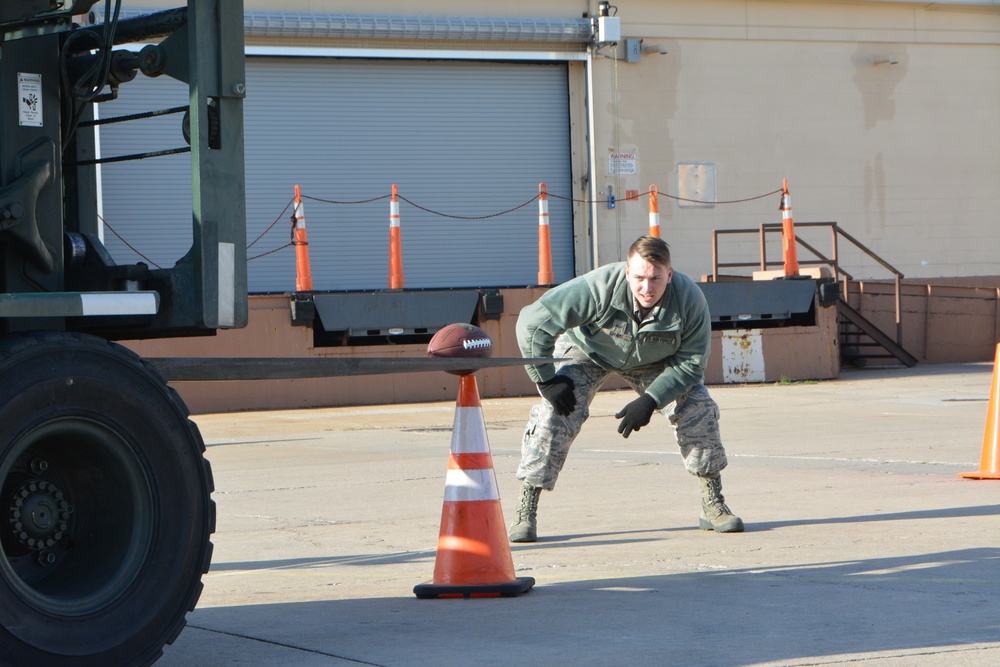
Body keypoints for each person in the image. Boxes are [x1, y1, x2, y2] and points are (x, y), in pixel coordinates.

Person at [509, 235, 743, 542]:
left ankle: (713, 502)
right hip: (588, 350)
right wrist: (546, 379)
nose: (647, 288)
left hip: (655, 361)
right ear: (626, 273)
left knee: (697, 406)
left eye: (656, 279)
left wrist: (651, 399)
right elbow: (533, 322)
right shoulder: (597, 287)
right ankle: (526, 508)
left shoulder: (689, 300)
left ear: (669, 275)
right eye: (639, 278)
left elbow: (691, 363)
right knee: (555, 414)